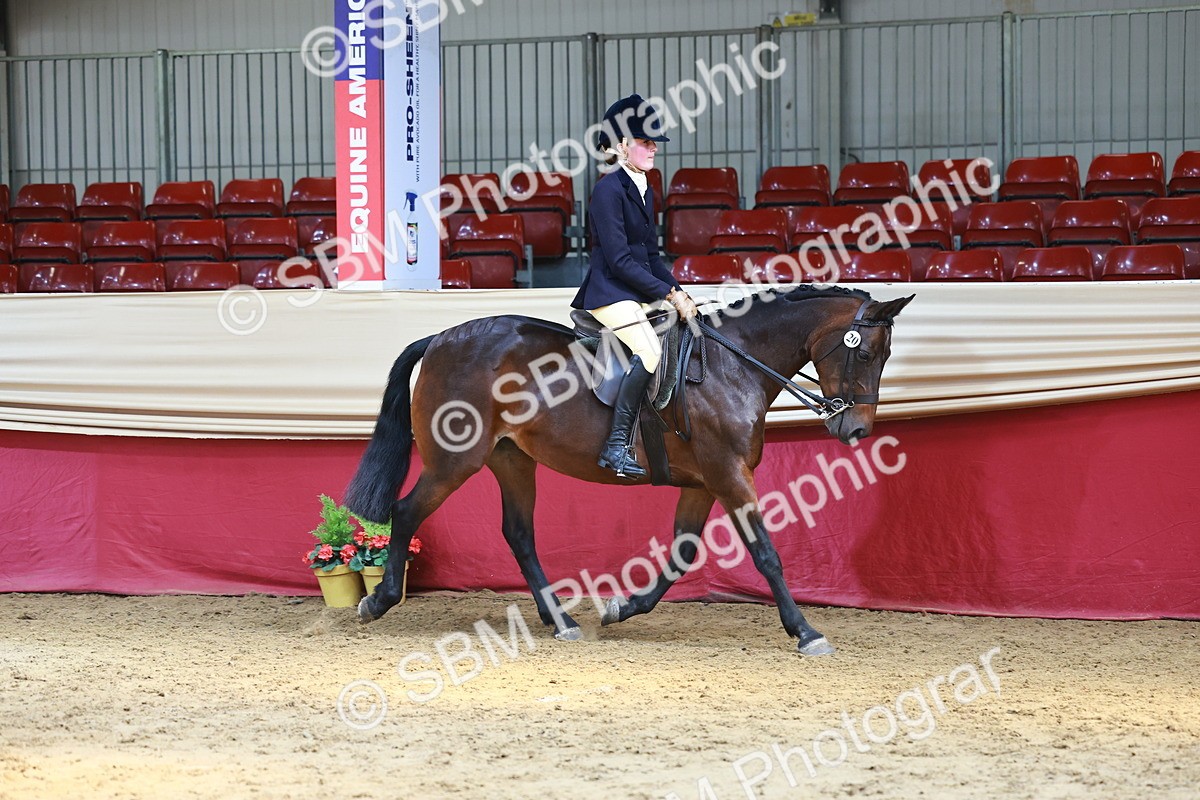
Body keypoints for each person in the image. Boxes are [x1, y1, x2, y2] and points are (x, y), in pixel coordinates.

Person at [572, 94, 699, 480]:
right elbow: (620, 261)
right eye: (645, 142)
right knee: (649, 351)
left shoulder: (644, 186)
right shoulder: (608, 190)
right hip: (610, 292)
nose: (653, 148)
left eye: (653, 142)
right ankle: (616, 446)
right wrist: (667, 295)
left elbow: (650, 255)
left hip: (635, 290)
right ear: (622, 145)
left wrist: (678, 289)